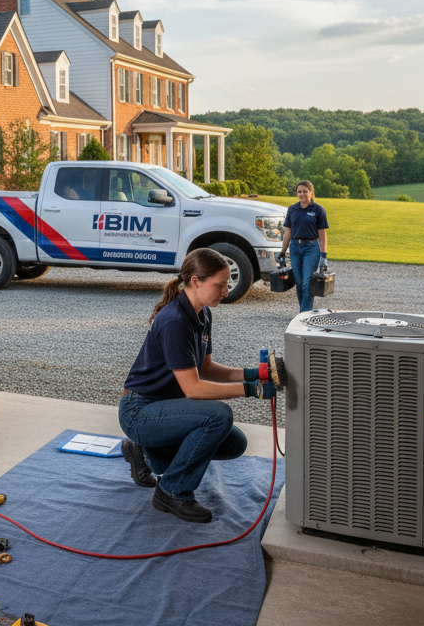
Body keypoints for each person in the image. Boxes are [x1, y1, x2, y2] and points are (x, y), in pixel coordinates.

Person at [118, 248, 276, 523]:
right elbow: (194, 389)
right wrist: (252, 390)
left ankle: (144, 451)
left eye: (226, 284)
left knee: (234, 444)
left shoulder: (202, 315)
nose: (226, 291)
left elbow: (205, 368)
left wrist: (252, 374)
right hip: (139, 412)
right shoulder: (175, 321)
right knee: (218, 416)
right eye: (220, 285)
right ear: (195, 281)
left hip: (166, 408)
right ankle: (172, 491)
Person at [280, 180, 329, 314]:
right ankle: (305, 312)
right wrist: (282, 252)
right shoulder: (292, 209)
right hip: (295, 248)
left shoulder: (318, 210)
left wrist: (323, 256)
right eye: (299, 192)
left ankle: (303, 315)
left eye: (305, 191)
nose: (302, 194)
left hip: (311, 249)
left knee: (307, 282)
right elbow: (287, 232)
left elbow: (322, 235)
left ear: (311, 193)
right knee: (300, 283)